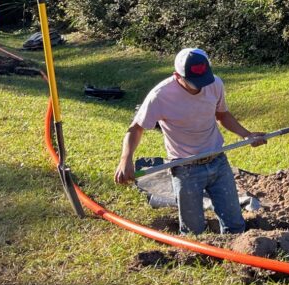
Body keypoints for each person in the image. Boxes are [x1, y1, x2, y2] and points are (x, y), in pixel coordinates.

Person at [114, 48, 266, 234]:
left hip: (218, 161)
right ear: (177, 76)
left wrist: (246, 135)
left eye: (204, 79)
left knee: (235, 225)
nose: (200, 86)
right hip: (185, 168)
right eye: (193, 82)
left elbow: (222, 114)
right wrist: (125, 159)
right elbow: (136, 128)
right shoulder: (160, 96)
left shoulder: (215, 83)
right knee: (193, 232)